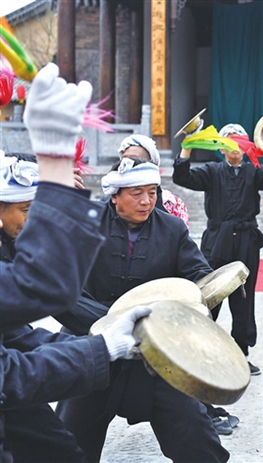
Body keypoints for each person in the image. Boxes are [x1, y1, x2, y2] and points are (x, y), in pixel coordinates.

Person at [0, 63, 151, 462]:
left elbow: (16, 337)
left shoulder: (168, 226)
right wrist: (55, 164)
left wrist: (104, 342)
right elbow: (44, 285)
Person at [56, 158, 230, 463]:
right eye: (136, 193)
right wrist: (113, 323)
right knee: (66, 448)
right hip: (94, 351)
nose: (147, 201)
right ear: (115, 195)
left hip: (156, 354)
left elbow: (198, 277)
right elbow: (64, 291)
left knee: (200, 444)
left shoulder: (173, 229)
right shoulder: (84, 223)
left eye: (152, 192)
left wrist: (205, 295)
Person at [172, 123, 263, 375]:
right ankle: (201, 352)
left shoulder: (253, 172)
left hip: (246, 240)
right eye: (230, 142)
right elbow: (182, 177)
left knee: (243, 299)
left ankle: (241, 354)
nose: (235, 148)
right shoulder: (212, 171)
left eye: (240, 143)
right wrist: (187, 147)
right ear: (221, 148)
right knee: (208, 296)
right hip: (216, 240)